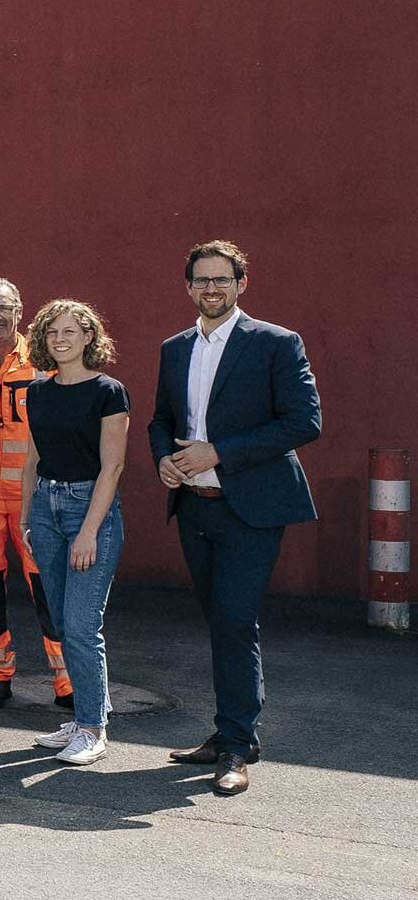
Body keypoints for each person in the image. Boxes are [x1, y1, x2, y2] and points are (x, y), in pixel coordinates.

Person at [149, 240, 320, 796]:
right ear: (188, 287)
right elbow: (161, 420)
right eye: (202, 280)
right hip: (194, 507)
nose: (212, 288)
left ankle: (236, 745)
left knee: (234, 620)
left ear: (241, 284)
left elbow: (304, 422)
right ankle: (233, 732)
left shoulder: (275, 343)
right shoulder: (175, 348)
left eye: (222, 279)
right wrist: (165, 460)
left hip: (252, 509)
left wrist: (218, 452)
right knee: (221, 623)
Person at [20, 299, 129, 766]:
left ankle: (92, 728)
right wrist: (25, 518)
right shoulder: (37, 391)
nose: (60, 339)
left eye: (70, 331)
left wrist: (88, 532)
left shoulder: (109, 391)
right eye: (52, 332)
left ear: (89, 336)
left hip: (90, 509)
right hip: (45, 508)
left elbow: (112, 467)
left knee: (83, 626)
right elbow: (31, 458)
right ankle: (88, 711)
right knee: (62, 624)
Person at [0, 276, 69, 710]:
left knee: (52, 589)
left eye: (4, 308)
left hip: (37, 499)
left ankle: (69, 679)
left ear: (20, 311)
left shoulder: (46, 363)